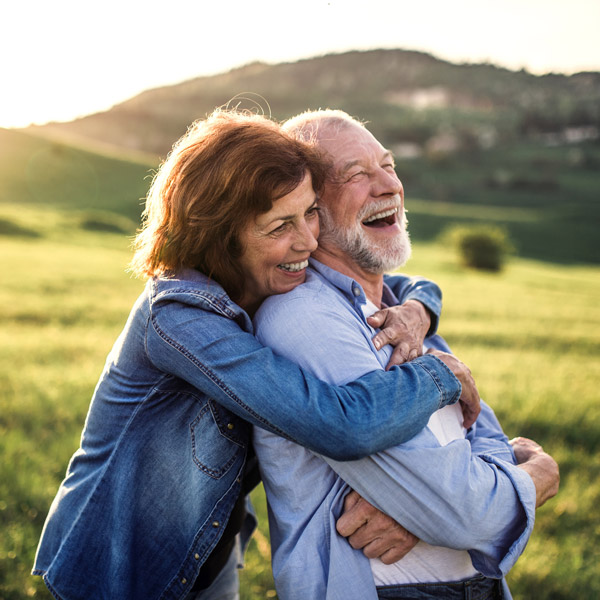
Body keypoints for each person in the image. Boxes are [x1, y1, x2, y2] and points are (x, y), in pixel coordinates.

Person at [31, 109, 480, 600]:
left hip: (210, 555)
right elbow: (337, 425)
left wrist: (418, 310)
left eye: (309, 211)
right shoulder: (179, 317)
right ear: (221, 236)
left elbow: (397, 283)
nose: (308, 240)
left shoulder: (264, 278)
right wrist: (439, 376)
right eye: (279, 226)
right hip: (120, 570)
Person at [253, 110, 560, 600]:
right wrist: (537, 476)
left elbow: (485, 439)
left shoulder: (403, 315)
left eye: (388, 165)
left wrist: (427, 513)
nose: (388, 186)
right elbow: (462, 513)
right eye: (356, 175)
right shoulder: (304, 319)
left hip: (478, 585)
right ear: (310, 209)